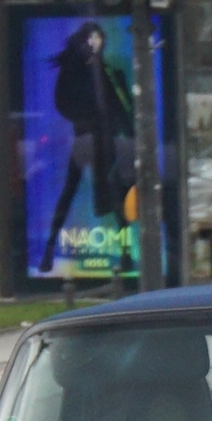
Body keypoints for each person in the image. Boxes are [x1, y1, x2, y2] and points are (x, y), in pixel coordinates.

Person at [38, 22, 134, 274]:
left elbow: (121, 107)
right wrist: (88, 120)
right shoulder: (75, 72)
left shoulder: (107, 71)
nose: (96, 46)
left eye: (99, 41)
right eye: (92, 41)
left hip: (106, 139)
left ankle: (125, 254)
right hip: (88, 138)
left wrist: (126, 129)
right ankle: (49, 249)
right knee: (76, 190)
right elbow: (64, 103)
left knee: (114, 193)